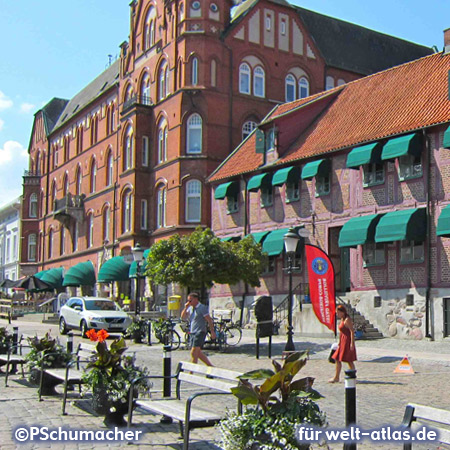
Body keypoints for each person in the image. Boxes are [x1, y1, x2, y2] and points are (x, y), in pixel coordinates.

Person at [181, 292, 216, 366]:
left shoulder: (202, 308)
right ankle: (210, 366)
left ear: (196, 299)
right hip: (192, 332)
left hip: (200, 332)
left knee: (193, 352)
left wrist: (212, 332)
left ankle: (191, 372)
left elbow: (209, 320)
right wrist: (185, 308)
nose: (189, 302)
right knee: (198, 353)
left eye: (191, 300)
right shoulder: (190, 308)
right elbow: (183, 317)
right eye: (188, 300)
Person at [329, 304, 356, 383]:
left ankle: (353, 376)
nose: (337, 314)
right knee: (337, 358)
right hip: (342, 341)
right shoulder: (341, 320)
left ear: (342, 312)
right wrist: (339, 342)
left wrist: (352, 343)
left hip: (347, 341)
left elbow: (351, 331)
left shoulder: (347, 320)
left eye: (338, 313)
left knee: (349, 360)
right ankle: (336, 377)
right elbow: (341, 332)